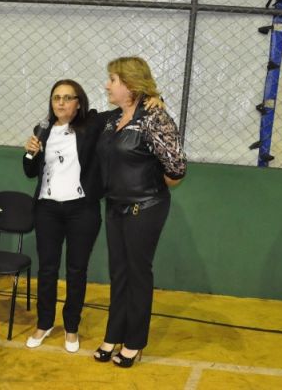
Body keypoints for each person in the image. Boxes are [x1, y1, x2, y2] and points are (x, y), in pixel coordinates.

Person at [94, 57, 187, 368]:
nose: (107, 85)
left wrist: (150, 182)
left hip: (145, 207)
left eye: (113, 80)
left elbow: (176, 168)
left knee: (137, 274)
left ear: (131, 84)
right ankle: (113, 335)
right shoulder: (112, 119)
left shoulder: (155, 117)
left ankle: (134, 342)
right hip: (115, 206)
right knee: (118, 273)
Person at [23, 79, 104, 353]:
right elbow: (29, 171)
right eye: (56, 97)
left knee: (76, 270)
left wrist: (153, 100)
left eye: (68, 97)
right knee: (47, 269)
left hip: (82, 209)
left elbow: (120, 111)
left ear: (78, 103)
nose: (61, 102)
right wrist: (30, 153)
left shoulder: (89, 126)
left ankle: (71, 327)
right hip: (47, 209)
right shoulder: (42, 130)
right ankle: (44, 323)